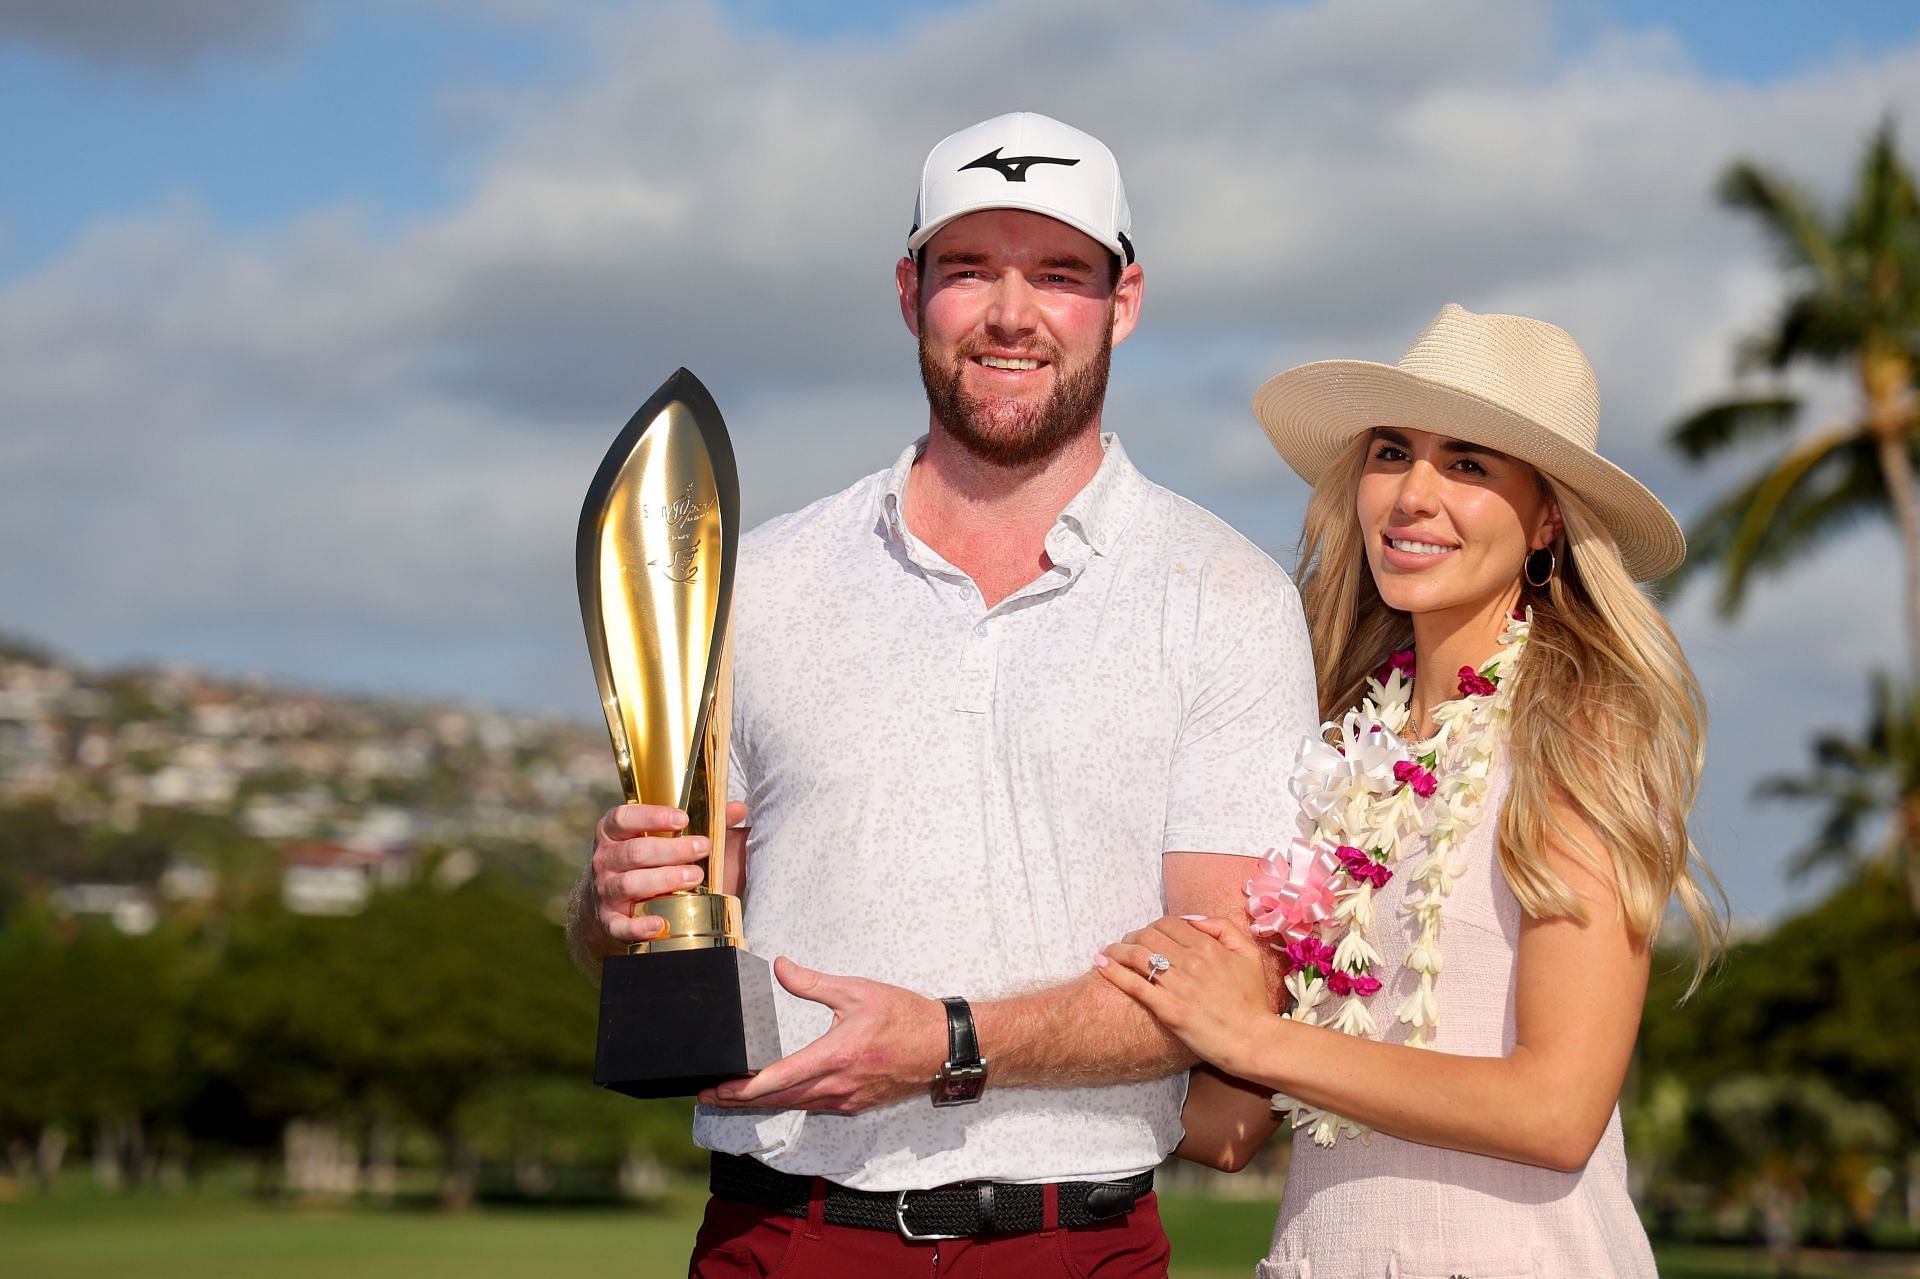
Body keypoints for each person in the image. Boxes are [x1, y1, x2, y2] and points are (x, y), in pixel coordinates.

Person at [567, 112, 1317, 1278]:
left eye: (1059, 274)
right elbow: (670, 933)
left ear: (1123, 302)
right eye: (971, 269)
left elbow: (1229, 980)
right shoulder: (755, 580)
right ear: (912, 292)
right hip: (782, 1230)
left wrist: (948, 1042)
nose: (1012, 314)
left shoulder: (1225, 591)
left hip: (1072, 1244)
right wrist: (612, 907)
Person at [1096, 304, 1726, 1277]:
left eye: (1469, 464)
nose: (1413, 493)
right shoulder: (1331, 750)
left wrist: (1257, 1037)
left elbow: (1558, 1111)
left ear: (1549, 516)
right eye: (1393, 452)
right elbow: (1230, 1125)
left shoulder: (1577, 736)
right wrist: (984, 1041)